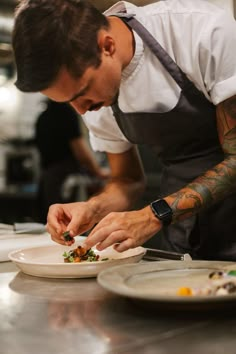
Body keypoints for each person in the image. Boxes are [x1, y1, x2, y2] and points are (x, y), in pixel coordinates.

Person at [12, 0, 236, 260]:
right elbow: (127, 181)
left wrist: (153, 215)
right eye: (67, 102)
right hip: (187, 236)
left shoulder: (201, 32)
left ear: (107, 46)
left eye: (82, 93)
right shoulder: (95, 100)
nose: (82, 111)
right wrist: (92, 208)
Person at [34, 98, 109, 223]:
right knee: (70, 222)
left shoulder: (42, 117)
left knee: (52, 222)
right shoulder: (66, 113)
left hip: (47, 179)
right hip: (66, 180)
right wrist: (98, 172)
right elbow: (80, 150)